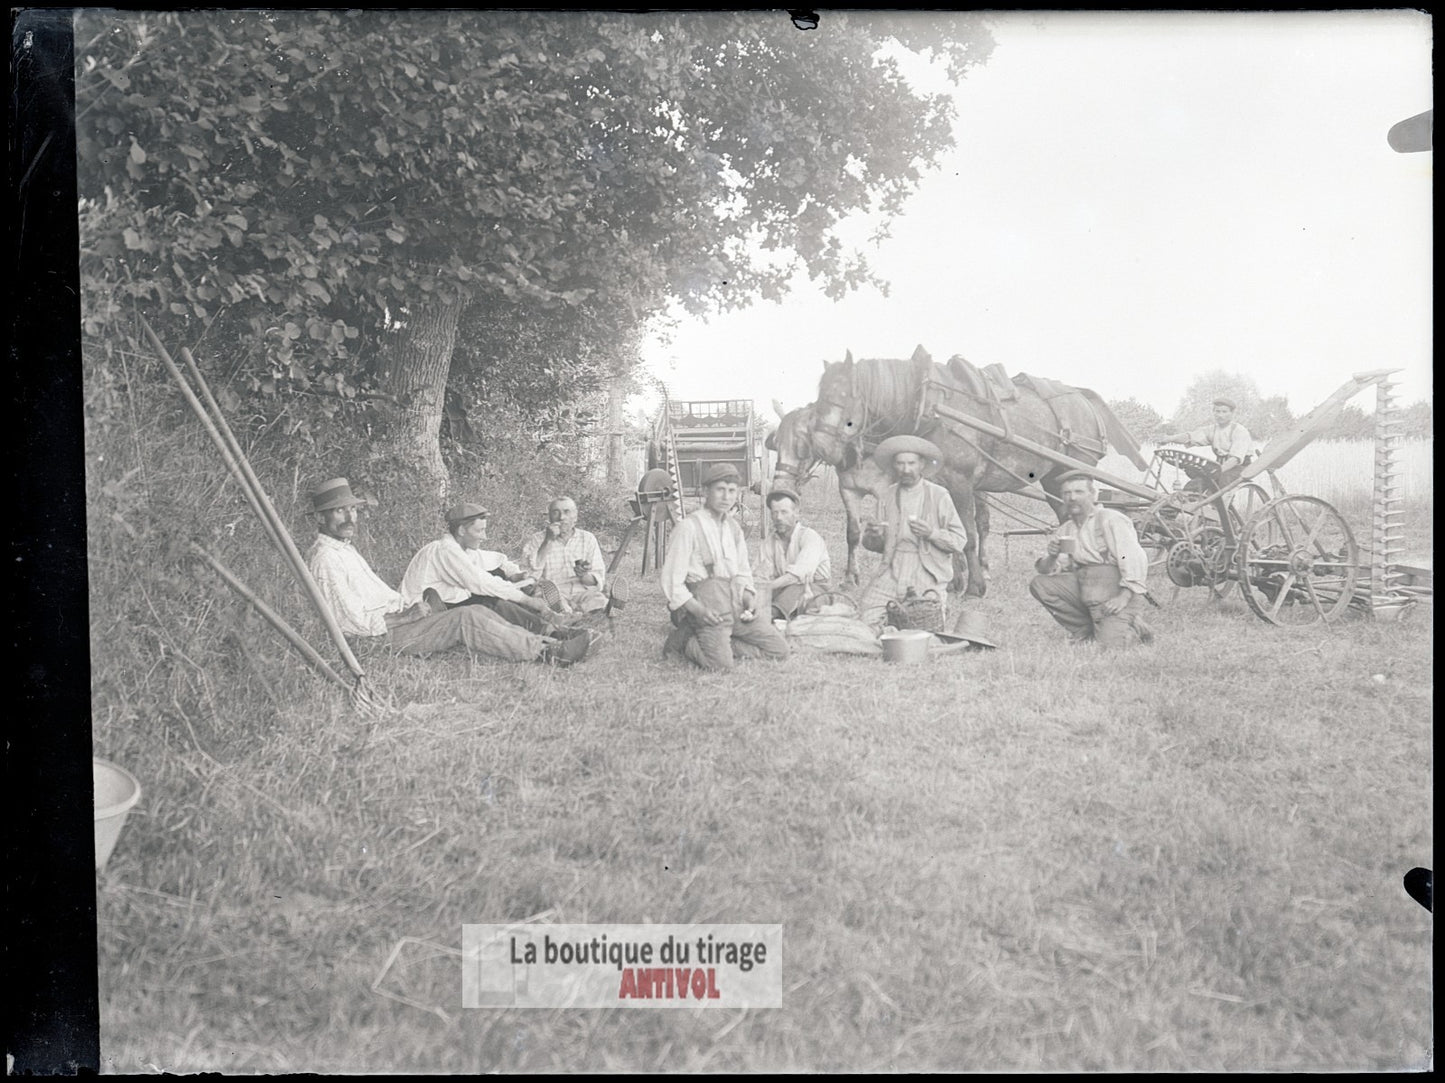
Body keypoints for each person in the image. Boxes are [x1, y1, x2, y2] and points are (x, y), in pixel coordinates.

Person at [304, 478, 591, 665]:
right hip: (379, 639)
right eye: (340, 512)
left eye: (352, 511)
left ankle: (550, 638)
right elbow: (349, 624)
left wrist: (406, 609)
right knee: (467, 618)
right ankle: (549, 653)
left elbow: (487, 564)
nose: (349, 518)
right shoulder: (326, 559)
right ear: (320, 517)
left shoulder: (344, 549)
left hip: (402, 616)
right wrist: (402, 617)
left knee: (480, 610)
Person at [659, 463, 789, 671]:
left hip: (734, 607)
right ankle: (687, 643)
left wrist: (748, 598)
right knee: (721, 667)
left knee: (779, 650)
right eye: (720, 489)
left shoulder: (734, 528)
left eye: (731, 491)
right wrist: (699, 610)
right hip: (708, 610)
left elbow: (743, 572)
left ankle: (718, 643)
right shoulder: (688, 527)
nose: (726, 497)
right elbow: (671, 581)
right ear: (705, 491)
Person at [398, 503, 570, 637]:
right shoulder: (446, 550)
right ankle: (547, 629)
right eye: (480, 530)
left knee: (497, 582)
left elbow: (496, 559)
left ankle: (546, 621)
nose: (484, 536)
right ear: (462, 530)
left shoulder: (461, 548)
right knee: (490, 600)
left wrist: (515, 574)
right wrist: (527, 600)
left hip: (445, 603)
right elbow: (480, 582)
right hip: (423, 614)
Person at [1029, 471, 1155, 648]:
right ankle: (1084, 629)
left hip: (1115, 591)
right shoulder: (1068, 529)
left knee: (1109, 649)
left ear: (1093, 495)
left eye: (1079, 492)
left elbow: (1134, 559)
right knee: (1041, 584)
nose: (1072, 498)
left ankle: (1135, 626)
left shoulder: (1110, 520)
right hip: (1087, 588)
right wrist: (1052, 555)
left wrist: (1124, 597)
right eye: (1067, 493)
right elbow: (1053, 569)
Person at [857, 435, 969, 629]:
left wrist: (932, 533)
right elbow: (874, 545)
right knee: (866, 621)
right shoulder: (887, 495)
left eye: (911, 463)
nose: (906, 470)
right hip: (892, 568)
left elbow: (959, 541)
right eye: (900, 464)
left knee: (924, 621)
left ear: (922, 465)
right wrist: (873, 536)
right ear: (894, 466)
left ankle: (921, 615)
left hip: (926, 570)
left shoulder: (939, 495)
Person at [521, 496, 628, 618]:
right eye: (556, 512)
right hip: (552, 592)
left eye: (567, 512)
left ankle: (592, 609)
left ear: (575, 517)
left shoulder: (588, 539)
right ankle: (571, 612)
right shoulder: (536, 540)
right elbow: (528, 575)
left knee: (597, 599)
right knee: (545, 600)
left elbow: (598, 577)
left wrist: (583, 575)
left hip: (581, 591)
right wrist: (548, 541)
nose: (561, 517)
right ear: (549, 517)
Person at [755, 487, 832, 621]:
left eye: (784, 512)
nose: (778, 518)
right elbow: (759, 574)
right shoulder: (769, 543)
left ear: (796, 513)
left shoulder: (810, 537)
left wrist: (766, 587)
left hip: (816, 590)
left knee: (798, 590)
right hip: (783, 591)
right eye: (774, 513)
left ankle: (771, 614)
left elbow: (797, 577)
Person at [1157, 398, 1256, 479]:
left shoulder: (1239, 431)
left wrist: (1217, 471)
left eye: (1224, 412)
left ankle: (1221, 503)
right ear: (1213, 412)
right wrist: (1170, 438)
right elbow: (1190, 437)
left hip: (1240, 468)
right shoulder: (1212, 430)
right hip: (1219, 465)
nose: (1220, 415)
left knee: (1222, 481)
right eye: (1217, 411)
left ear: (1232, 413)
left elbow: (1235, 459)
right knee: (1195, 483)